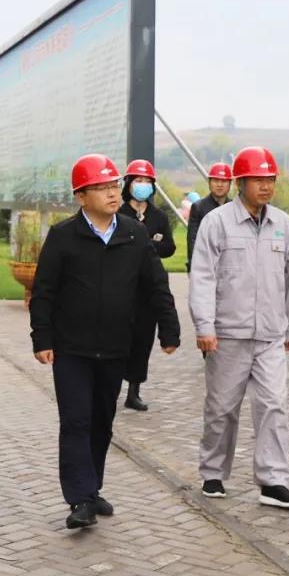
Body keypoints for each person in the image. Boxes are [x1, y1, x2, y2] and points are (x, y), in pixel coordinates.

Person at [30, 153, 180, 530]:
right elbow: (44, 292)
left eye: (114, 186)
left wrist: (169, 328)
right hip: (72, 349)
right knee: (76, 421)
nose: (113, 193)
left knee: (102, 421)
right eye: (102, 188)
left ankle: (92, 487)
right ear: (81, 196)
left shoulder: (134, 234)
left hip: (115, 347)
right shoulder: (64, 236)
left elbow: (156, 285)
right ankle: (80, 498)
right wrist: (42, 338)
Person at [189, 146, 289, 508]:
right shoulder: (217, 223)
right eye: (258, 179)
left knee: (274, 404)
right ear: (240, 182)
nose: (266, 186)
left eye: (270, 179)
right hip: (227, 335)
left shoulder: (284, 225)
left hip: (270, 336)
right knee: (222, 408)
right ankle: (213, 473)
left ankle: (273, 481)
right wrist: (204, 326)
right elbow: (202, 277)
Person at [116, 160, 176, 411]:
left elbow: (169, 247)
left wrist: (147, 244)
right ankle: (111, 386)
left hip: (149, 286)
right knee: (120, 338)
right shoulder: (118, 214)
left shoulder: (159, 216)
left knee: (142, 340)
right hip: (123, 284)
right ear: (129, 184)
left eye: (147, 181)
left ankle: (134, 391)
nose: (142, 185)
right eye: (138, 181)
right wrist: (148, 242)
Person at [186, 163, 232, 272]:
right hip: (205, 265)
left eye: (224, 181)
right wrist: (196, 266)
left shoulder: (234, 207)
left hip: (229, 266)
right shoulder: (198, 207)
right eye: (216, 181)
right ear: (209, 183)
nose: (219, 185)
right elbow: (193, 239)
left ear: (230, 183)